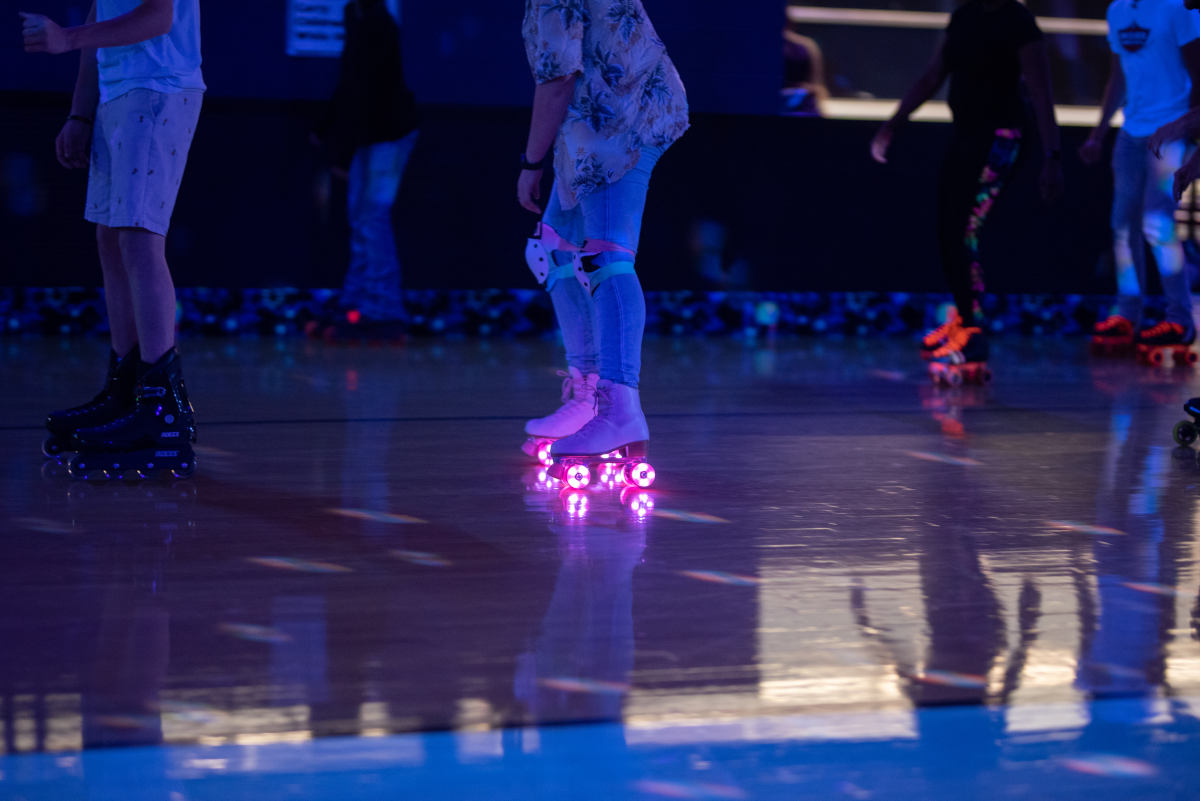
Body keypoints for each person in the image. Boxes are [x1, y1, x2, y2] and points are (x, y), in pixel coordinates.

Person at [22, 0, 203, 479]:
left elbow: (158, 17)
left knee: (140, 239)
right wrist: (80, 113)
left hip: (158, 89)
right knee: (111, 238)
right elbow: (98, 16)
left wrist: (67, 40)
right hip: (118, 95)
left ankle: (162, 415)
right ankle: (127, 391)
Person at [518, 0, 688, 469]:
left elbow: (557, 81)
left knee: (605, 258)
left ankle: (620, 408)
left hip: (620, 119)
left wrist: (531, 163)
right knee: (554, 250)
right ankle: (588, 395)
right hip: (589, 119)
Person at [870, 0, 1062, 380]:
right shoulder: (963, 16)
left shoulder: (1018, 21)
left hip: (1003, 138)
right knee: (947, 229)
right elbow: (932, 76)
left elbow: (1041, 92)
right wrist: (893, 124)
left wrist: (1052, 156)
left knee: (964, 230)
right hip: (966, 136)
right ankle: (964, 317)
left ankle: (974, 332)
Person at [1081, 0, 1200, 354]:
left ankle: (1180, 319)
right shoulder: (1117, 10)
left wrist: (1190, 132)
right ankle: (1127, 315)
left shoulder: (1177, 7)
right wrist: (1098, 133)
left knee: (1156, 224)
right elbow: (1118, 77)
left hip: (1173, 127)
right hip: (1132, 132)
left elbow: (1198, 72)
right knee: (1121, 224)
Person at [311, 0, 419, 341]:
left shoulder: (376, 22)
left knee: (372, 215)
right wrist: (327, 128)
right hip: (373, 133)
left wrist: (340, 154)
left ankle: (383, 309)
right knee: (362, 217)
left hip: (388, 132)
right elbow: (351, 82)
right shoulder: (357, 15)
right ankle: (358, 302)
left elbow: (364, 91)